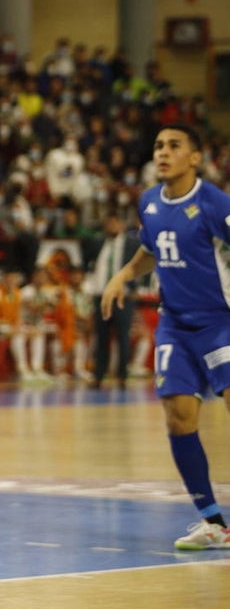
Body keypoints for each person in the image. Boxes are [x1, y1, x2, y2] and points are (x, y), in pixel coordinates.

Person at [102, 124, 230, 550]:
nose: (163, 152)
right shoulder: (149, 202)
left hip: (220, 324)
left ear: (194, 158)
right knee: (178, 417)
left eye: (174, 146)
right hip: (174, 324)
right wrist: (122, 274)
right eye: (158, 145)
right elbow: (152, 250)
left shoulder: (214, 203)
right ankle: (213, 522)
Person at [91, 213, 139, 389]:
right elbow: (92, 266)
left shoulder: (131, 244)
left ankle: (122, 376)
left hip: (122, 296)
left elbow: (140, 265)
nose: (111, 226)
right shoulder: (98, 243)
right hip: (101, 295)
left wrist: (134, 288)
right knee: (101, 337)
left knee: (122, 337)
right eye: (108, 223)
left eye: (114, 222)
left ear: (121, 225)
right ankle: (98, 375)